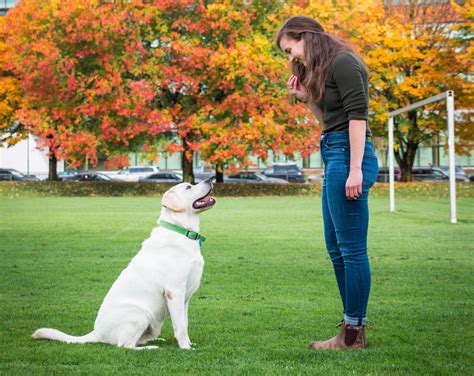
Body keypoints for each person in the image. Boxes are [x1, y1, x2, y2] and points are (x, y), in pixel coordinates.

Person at [277, 16, 379, 350]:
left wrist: (354, 171)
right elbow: (330, 121)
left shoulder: (345, 62)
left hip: (350, 156)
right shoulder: (323, 68)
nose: (292, 58)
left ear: (305, 37)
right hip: (334, 150)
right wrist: (307, 97)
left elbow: (357, 117)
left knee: (351, 250)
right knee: (336, 249)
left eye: (291, 49)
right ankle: (352, 329)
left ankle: (352, 333)